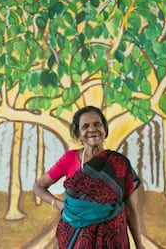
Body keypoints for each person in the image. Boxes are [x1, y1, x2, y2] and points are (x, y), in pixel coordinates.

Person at [33, 105, 144, 249]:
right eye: (85, 126)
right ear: (79, 134)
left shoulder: (119, 163)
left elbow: (130, 208)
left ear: (104, 129)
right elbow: (38, 186)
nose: (92, 129)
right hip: (76, 237)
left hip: (114, 240)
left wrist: (139, 244)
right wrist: (59, 204)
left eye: (97, 124)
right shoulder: (69, 158)